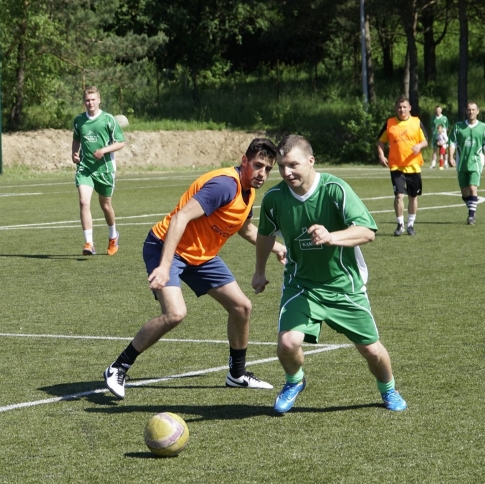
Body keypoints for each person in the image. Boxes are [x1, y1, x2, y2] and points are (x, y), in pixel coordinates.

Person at [104, 138, 287, 399]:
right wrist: (165, 266)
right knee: (175, 313)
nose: (262, 174)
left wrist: (276, 247)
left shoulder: (248, 191)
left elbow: (245, 229)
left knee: (242, 307)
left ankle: (237, 374)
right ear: (244, 161)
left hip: (201, 256)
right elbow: (180, 217)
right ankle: (118, 367)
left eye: (268, 169)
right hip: (166, 247)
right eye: (258, 165)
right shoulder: (225, 185)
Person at [251, 134, 406, 414]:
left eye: (293, 165)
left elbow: (367, 231)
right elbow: (265, 234)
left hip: (343, 285)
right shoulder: (274, 198)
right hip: (302, 285)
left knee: (371, 350)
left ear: (311, 161)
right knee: (287, 343)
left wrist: (331, 237)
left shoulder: (335, 189)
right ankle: (295, 381)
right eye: (282, 166)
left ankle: (388, 389)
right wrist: (259, 271)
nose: (286, 172)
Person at [71, 86, 125, 255]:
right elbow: (76, 139)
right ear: (84, 102)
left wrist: (104, 150)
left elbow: (120, 142)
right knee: (83, 202)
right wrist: (74, 153)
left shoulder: (108, 119)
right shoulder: (79, 120)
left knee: (105, 205)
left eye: (93, 99)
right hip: (85, 168)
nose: (90, 103)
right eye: (87, 100)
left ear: (99, 100)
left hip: (105, 170)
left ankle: (113, 236)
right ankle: (89, 243)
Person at [376, 97, 427, 236]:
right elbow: (380, 141)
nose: (402, 109)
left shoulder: (416, 122)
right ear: (396, 108)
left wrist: (419, 146)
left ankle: (411, 225)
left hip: (413, 166)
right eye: (399, 107)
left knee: (413, 197)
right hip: (396, 167)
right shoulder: (390, 123)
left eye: (404, 107)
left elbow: (425, 141)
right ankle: (400, 224)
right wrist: (381, 155)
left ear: (409, 108)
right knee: (399, 196)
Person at [448, 101, 485, 225]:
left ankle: (471, 216)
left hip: (476, 162)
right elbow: (452, 143)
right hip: (462, 163)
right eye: (469, 110)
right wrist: (450, 157)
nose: (471, 112)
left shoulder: (483, 127)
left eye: (473, 110)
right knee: (464, 193)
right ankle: (472, 207)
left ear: (477, 111)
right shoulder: (458, 127)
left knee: (473, 187)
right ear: (466, 111)